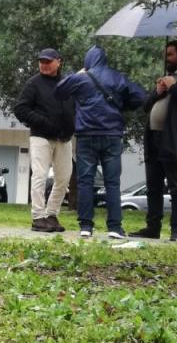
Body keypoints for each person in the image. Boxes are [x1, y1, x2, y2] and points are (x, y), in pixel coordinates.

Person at [55, 44, 146, 240]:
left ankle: (86, 226)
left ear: (88, 61)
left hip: (86, 135)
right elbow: (140, 96)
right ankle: (114, 227)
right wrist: (122, 105)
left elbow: (59, 91)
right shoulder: (117, 77)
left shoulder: (81, 78)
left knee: (85, 181)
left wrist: (78, 73)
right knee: (112, 183)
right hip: (112, 136)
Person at [130, 39, 177, 242]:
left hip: (173, 140)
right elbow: (145, 106)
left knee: (176, 186)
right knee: (153, 186)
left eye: (170, 54)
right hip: (153, 137)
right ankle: (152, 227)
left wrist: (173, 88)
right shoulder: (166, 78)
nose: (167, 59)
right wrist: (157, 92)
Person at [13, 47, 75, 233]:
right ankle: (38, 217)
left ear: (59, 62)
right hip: (41, 137)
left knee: (64, 178)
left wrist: (73, 125)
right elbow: (20, 109)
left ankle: (51, 214)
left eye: (48, 61)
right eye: (41, 61)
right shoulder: (34, 84)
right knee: (39, 176)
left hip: (64, 138)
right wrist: (42, 122)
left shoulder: (67, 83)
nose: (44, 65)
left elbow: (75, 106)